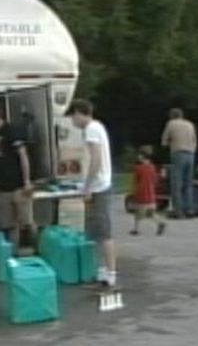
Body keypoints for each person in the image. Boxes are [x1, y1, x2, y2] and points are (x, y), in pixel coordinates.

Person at [67, 99, 117, 287]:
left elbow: (95, 158)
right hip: (97, 185)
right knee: (95, 231)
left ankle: (111, 272)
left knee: (104, 231)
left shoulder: (91, 129)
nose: (72, 121)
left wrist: (87, 186)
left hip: (99, 187)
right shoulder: (95, 128)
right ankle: (102, 271)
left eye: (73, 116)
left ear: (80, 113)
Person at [0, 106, 36, 252]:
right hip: (3, 188)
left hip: (18, 186)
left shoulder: (12, 131)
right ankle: (13, 254)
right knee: (9, 225)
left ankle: (39, 250)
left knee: (27, 222)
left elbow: (23, 156)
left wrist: (27, 181)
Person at [161, 108, 198, 219]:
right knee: (188, 184)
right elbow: (195, 140)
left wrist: (169, 143)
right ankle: (189, 209)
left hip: (178, 153)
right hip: (191, 154)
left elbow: (164, 141)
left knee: (177, 184)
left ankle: (178, 211)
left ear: (172, 116)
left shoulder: (171, 124)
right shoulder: (190, 124)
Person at [130, 145, 167, 236]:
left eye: (139, 155)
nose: (138, 157)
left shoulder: (138, 168)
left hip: (142, 195)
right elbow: (155, 180)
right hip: (151, 195)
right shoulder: (152, 167)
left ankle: (136, 229)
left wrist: (134, 193)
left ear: (142, 156)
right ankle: (159, 223)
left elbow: (136, 181)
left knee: (138, 213)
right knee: (151, 213)